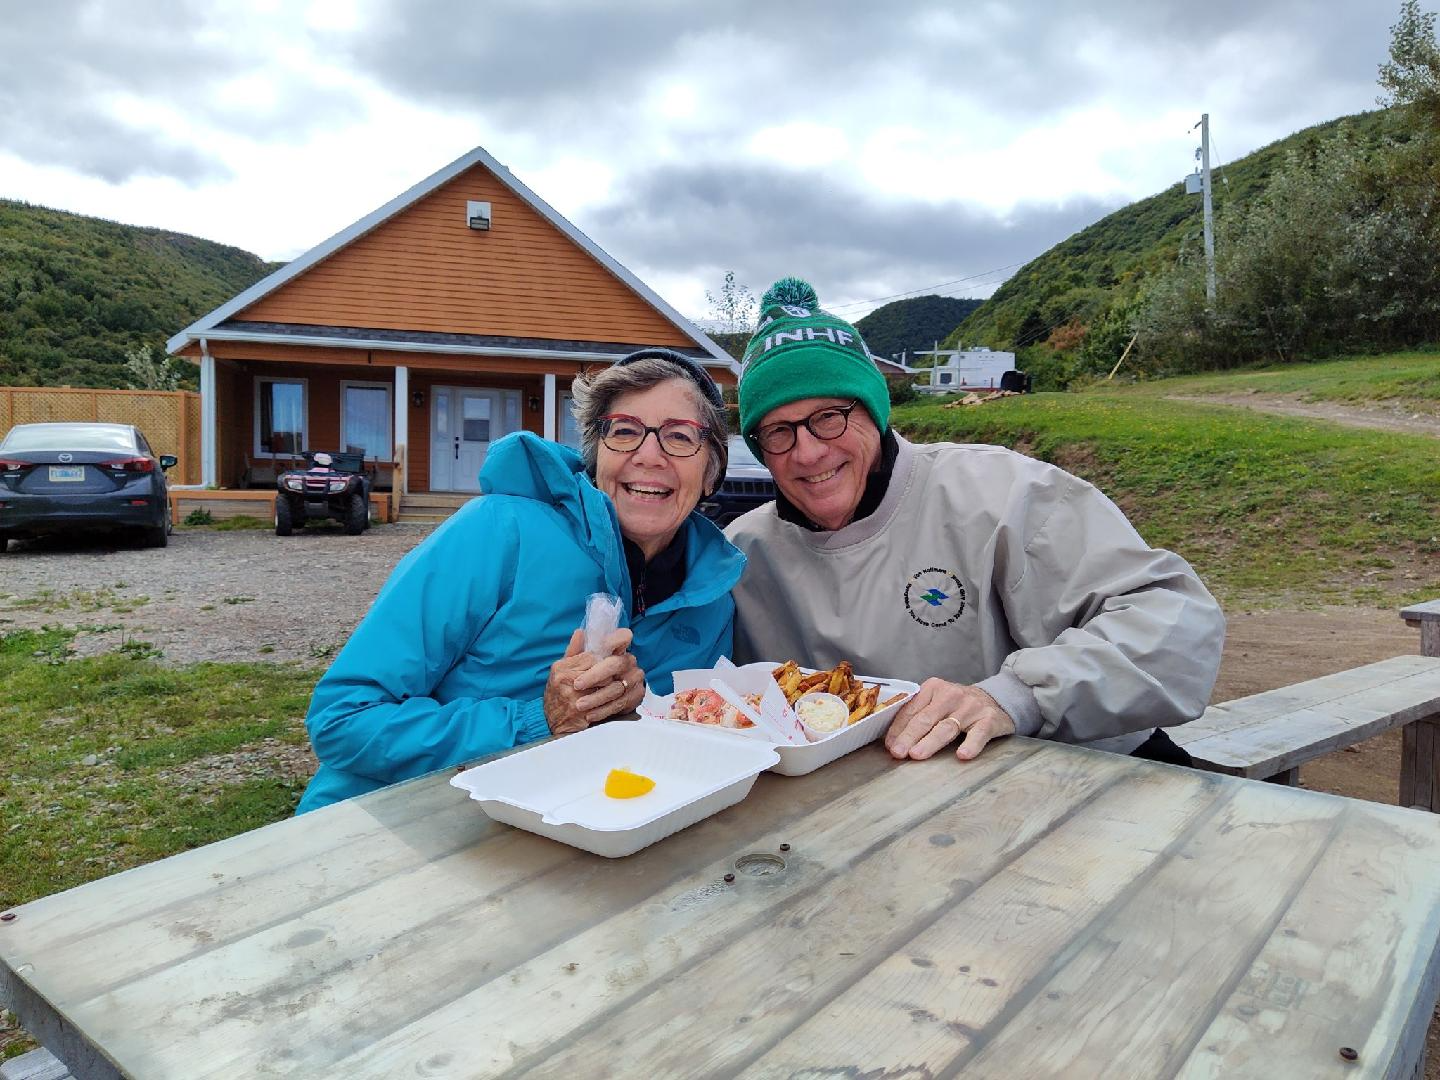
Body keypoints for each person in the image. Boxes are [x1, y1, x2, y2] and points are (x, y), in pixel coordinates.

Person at [726, 278, 1224, 766]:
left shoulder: (1003, 492)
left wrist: (1016, 697)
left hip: (1076, 773)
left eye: (830, 416)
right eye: (777, 432)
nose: (810, 452)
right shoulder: (742, 555)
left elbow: (1175, 622)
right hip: (875, 805)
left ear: (874, 414)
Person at [296, 349, 743, 812]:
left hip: (580, 840)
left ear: (711, 471)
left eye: (680, 436)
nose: (649, 456)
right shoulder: (497, 531)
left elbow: (692, 749)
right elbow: (343, 720)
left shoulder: (712, 601)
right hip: (389, 834)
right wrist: (539, 718)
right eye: (625, 431)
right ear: (595, 458)